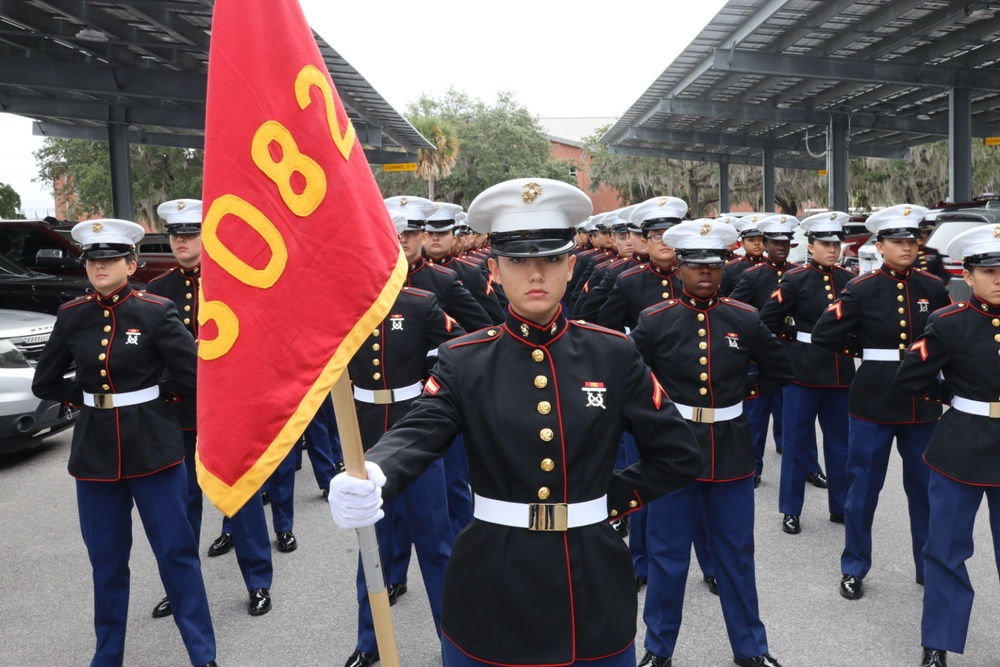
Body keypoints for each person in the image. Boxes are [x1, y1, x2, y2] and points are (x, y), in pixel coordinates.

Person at [328, 177, 702, 667]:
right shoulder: (466, 360)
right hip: (492, 580)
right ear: (495, 271)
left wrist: (601, 501)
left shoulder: (613, 353)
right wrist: (375, 471)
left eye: (549, 258)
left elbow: (678, 455)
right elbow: (422, 428)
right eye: (518, 260)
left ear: (571, 266)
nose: (535, 274)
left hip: (589, 580)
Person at [31, 218, 218, 667]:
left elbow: (194, 377)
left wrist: (156, 401)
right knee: (107, 564)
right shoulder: (72, 315)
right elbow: (46, 381)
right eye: (93, 259)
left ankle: (202, 654)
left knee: (176, 556)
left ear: (131, 263)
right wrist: (92, 401)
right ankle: (107, 656)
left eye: (110, 258)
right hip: (95, 457)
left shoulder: (154, 311)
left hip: (153, 450)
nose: (100, 266)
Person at [631, 219, 794, 667]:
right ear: (678, 268)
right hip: (673, 451)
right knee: (667, 556)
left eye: (714, 265)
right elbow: (629, 381)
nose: (705, 273)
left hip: (731, 450)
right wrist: (655, 418)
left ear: (724, 268)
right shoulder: (656, 319)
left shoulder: (743, 317)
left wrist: (746, 393)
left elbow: (779, 369)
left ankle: (751, 648)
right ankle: (657, 649)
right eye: (695, 265)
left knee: (736, 554)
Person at [340, 208, 465, 667]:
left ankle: (452, 640)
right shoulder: (344, 306)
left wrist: (435, 392)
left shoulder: (418, 303)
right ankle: (367, 642)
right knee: (369, 542)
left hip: (415, 429)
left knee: (435, 542)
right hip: (365, 433)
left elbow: (461, 351)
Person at [812, 204, 951, 601]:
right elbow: (825, 335)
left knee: (926, 489)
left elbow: (947, 340)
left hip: (921, 402)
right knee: (864, 488)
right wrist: (863, 348)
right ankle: (854, 566)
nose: (907, 248)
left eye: (912, 240)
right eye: (898, 241)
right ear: (881, 245)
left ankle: (927, 567)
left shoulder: (932, 287)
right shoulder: (861, 287)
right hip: (873, 399)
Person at [145, 198, 274, 619]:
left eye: (190, 233)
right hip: (179, 412)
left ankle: (258, 581)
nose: (181, 241)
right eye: (175, 235)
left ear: (206, 236)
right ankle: (180, 587)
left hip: (228, 409)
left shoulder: (235, 280)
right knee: (180, 505)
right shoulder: (157, 291)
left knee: (242, 498)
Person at [896, 223, 1000, 667]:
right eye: (989, 270)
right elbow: (912, 377)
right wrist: (958, 401)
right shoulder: (947, 321)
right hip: (960, 448)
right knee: (945, 549)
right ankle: (937, 641)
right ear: (968, 275)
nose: (998, 278)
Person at [759, 211, 856, 534]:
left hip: (840, 371)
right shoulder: (796, 279)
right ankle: (791, 508)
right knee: (797, 442)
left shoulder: (848, 281)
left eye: (836, 243)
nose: (832, 249)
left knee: (841, 443)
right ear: (810, 246)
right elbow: (767, 322)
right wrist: (790, 345)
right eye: (824, 243)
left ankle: (840, 505)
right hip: (802, 372)